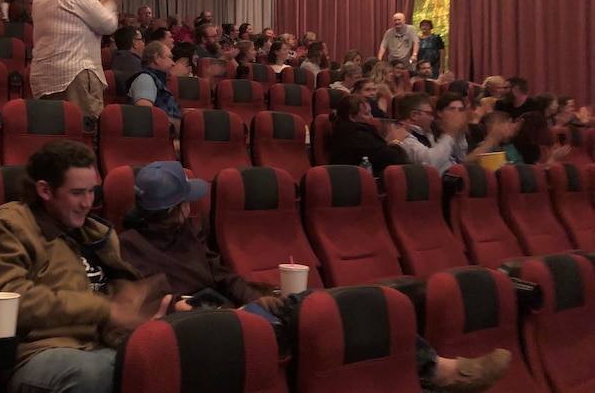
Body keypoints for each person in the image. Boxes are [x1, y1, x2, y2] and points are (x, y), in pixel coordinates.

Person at [118, 160, 512, 393]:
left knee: (336, 308)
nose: (193, 206)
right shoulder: (129, 245)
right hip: (207, 329)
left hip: (235, 313)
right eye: (187, 201)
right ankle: (439, 371)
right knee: (325, 307)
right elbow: (169, 303)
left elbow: (221, 272)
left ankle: (432, 369)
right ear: (176, 207)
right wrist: (240, 305)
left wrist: (249, 295)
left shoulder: (186, 231)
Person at [0, 141, 170, 393]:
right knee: (105, 371)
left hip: (99, 344)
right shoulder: (8, 226)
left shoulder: (94, 232)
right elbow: (7, 299)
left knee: (173, 354)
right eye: (77, 193)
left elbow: (119, 304)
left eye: (91, 191)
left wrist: (148, 311)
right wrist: (106, 309)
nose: (87, 203)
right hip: (37, 352)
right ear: (45, 190)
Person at [30, 0, 122, 120]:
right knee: (81, 135)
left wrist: (98, 5)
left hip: (45, 77)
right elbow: (107, 25)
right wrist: (110, 2)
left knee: (56, 136)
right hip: (74, 74)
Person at [329, 95, 409, 175]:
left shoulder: (352, 131)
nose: (371, 117)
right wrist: (396, 141)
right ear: (352, 117)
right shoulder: (355, 136)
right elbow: (392, 158)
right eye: (366, 114)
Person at [397, 92, 468, 174]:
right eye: (429, 114)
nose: (432, 118)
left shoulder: (429, 133)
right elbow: (431, 164)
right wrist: (449, 133)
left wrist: (458, 133)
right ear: (414, 115)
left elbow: (460, 159)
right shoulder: (402, 137)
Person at [126, 41, 181, 124]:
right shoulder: (145, 79)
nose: (173, 63)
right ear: (156, 58)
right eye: (170, 58)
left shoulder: (156, 80)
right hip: (159, 134)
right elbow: (145, 115)